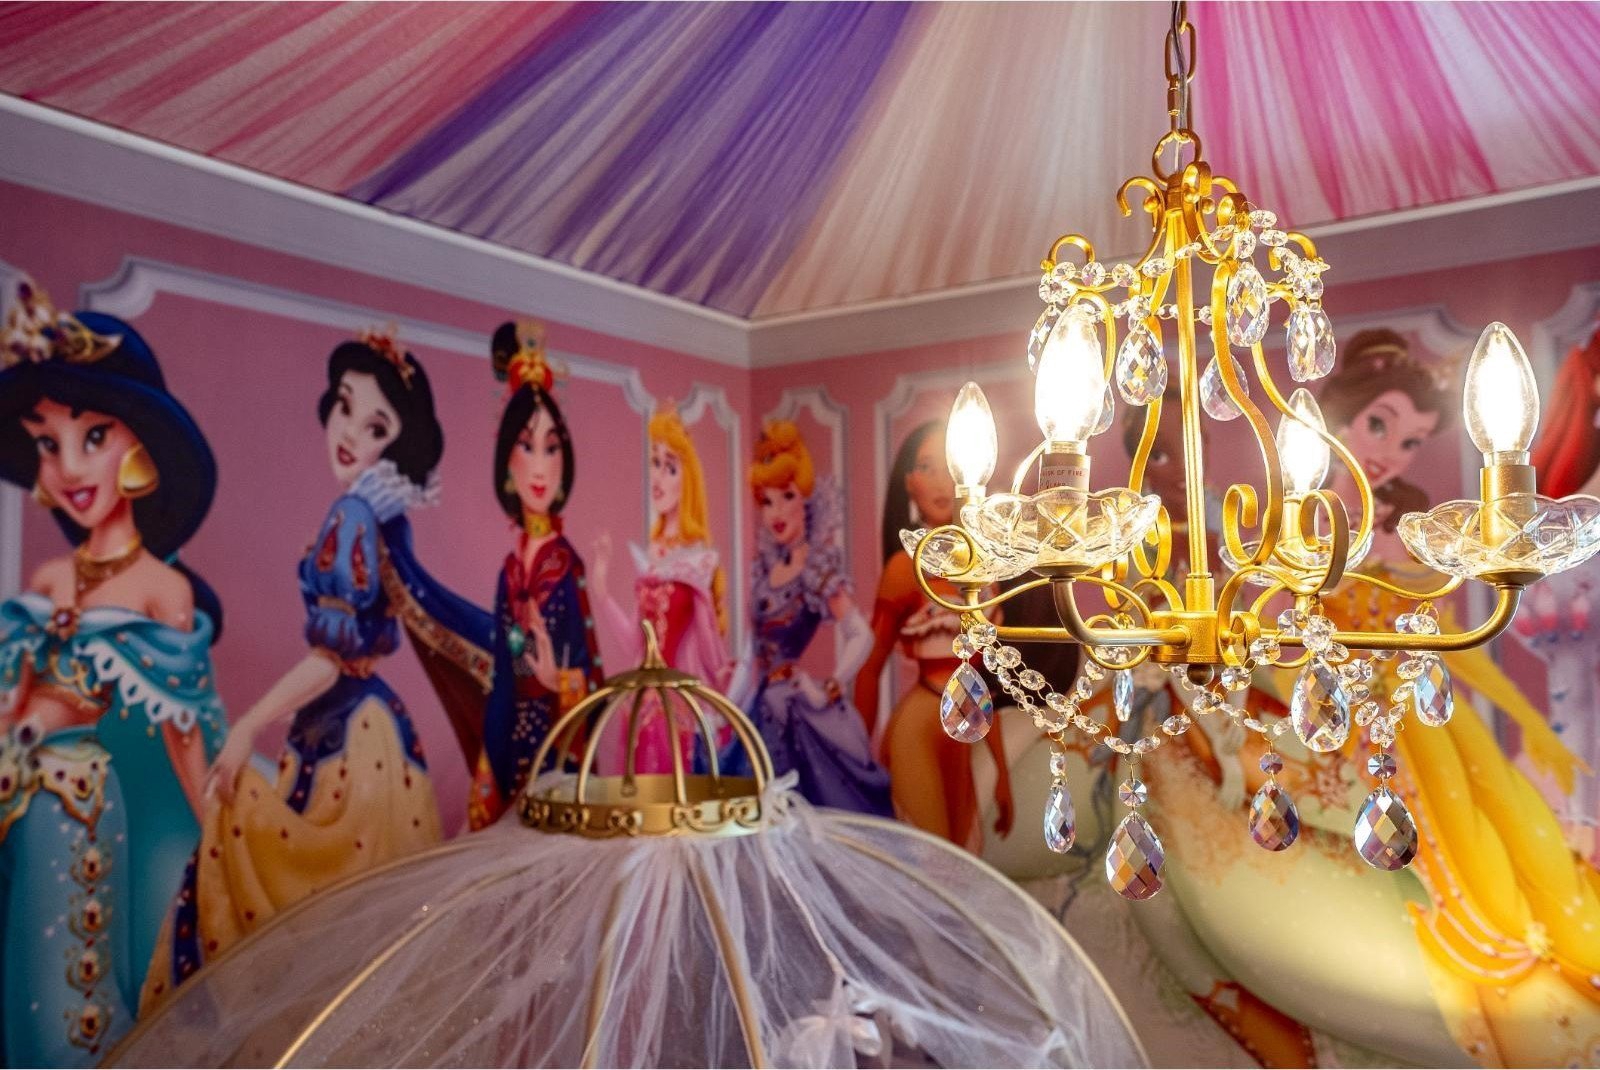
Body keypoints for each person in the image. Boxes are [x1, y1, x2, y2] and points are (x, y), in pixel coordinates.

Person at [142, 328, 493, 1004]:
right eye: (344, 405)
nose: (350, 431)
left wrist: (247, 726)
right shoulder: (381, 514)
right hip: (380, 738)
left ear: (396, 445)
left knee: (321, 933)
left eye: (376, 425)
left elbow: (330, 661)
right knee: (373, 952)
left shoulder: (356, 513)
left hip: (349, 743)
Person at [0, 280, 226, 1065]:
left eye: (92, 437)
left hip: (141, 815)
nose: (68, 466)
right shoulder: (47, 582)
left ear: (141, 455)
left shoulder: (164, 591)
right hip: (51, 813)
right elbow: (16, 704)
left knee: (141, 990)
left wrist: (216, 841)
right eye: (48, 443)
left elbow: (186, 732)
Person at [470, 321, 603, 827]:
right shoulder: (509, 572)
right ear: (508, 462)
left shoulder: (566, 565)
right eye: (527, 446)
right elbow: (503, 677)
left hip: (559, 746)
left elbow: (591, 676)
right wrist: (489, 770)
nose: (541, 466)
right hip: (513, 747)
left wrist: (556, 680)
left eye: (552, 447)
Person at [855, 419, 1012, 848]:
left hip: (964, 730)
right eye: (927, 467)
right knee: (933, 863)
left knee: (965, 858)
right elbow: (870, 668)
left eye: (949, 466)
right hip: (919, 727)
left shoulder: (983, 566)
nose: (941, 481)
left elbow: (983, 679)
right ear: (910, 482)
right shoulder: (904, 570)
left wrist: (1002, 770)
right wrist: (857, 756)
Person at [728, 420, 890, 815]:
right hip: (761, 707)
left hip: (796, 709)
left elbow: (861, 635)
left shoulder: (817, 570)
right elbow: (750, 653)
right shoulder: (765, 570)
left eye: (787, 496)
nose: (777, 512)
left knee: (808, 810)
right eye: (767, 502)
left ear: (806, 500)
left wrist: (829, 687)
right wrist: (727, 706)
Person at [591, 406, 732, 774]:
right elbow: (635, 642)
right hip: (641, 700)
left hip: (675, 702)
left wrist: (724, 677)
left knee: (674, 790)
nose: (658, 477)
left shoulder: (698, 559)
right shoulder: (651, 555)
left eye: (670, 468)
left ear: (688, 480)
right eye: (654, 463)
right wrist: (601, 588)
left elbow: (706, 638)